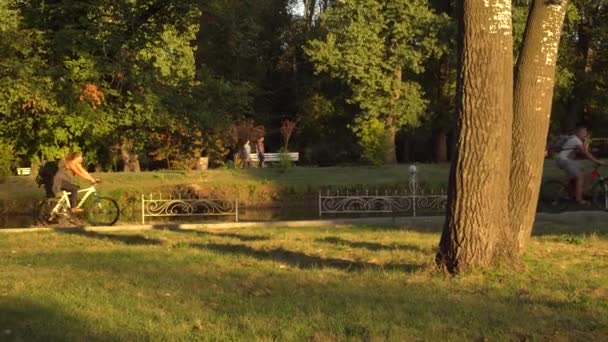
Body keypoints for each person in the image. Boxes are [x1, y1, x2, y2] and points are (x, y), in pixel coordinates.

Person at [556, 125, 605, 204]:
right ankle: (579, 199)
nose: (585, 134)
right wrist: (597, 161)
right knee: (580, 177)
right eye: (583, 132)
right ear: (578, 132)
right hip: (563, 160)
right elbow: (585, 153)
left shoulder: (576, 140)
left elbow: (581, 153)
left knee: (581, 170)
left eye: (585, 133)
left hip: (564, 160)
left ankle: (571, 193)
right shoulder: (576, 140)